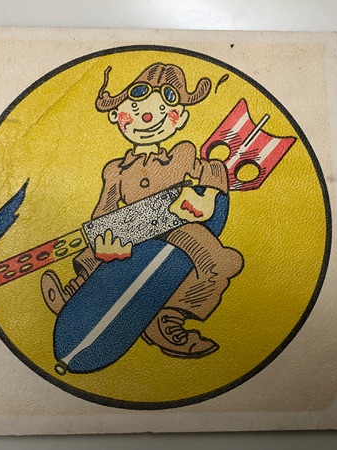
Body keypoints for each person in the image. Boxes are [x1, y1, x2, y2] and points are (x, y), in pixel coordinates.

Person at [42, 63, 243, 358]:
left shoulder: (183, 153)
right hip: (133, 227)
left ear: (180, 117)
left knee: (219, 261)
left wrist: (210, 195)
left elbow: (212, 168)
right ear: (115, 115)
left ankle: (169, 318)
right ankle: (75, 293)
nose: (148, 117)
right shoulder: (116, 170)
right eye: (134, 109)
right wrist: (105, 239)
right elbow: (104, 212)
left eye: (163, 110)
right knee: (95, 250)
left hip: (179, 226)